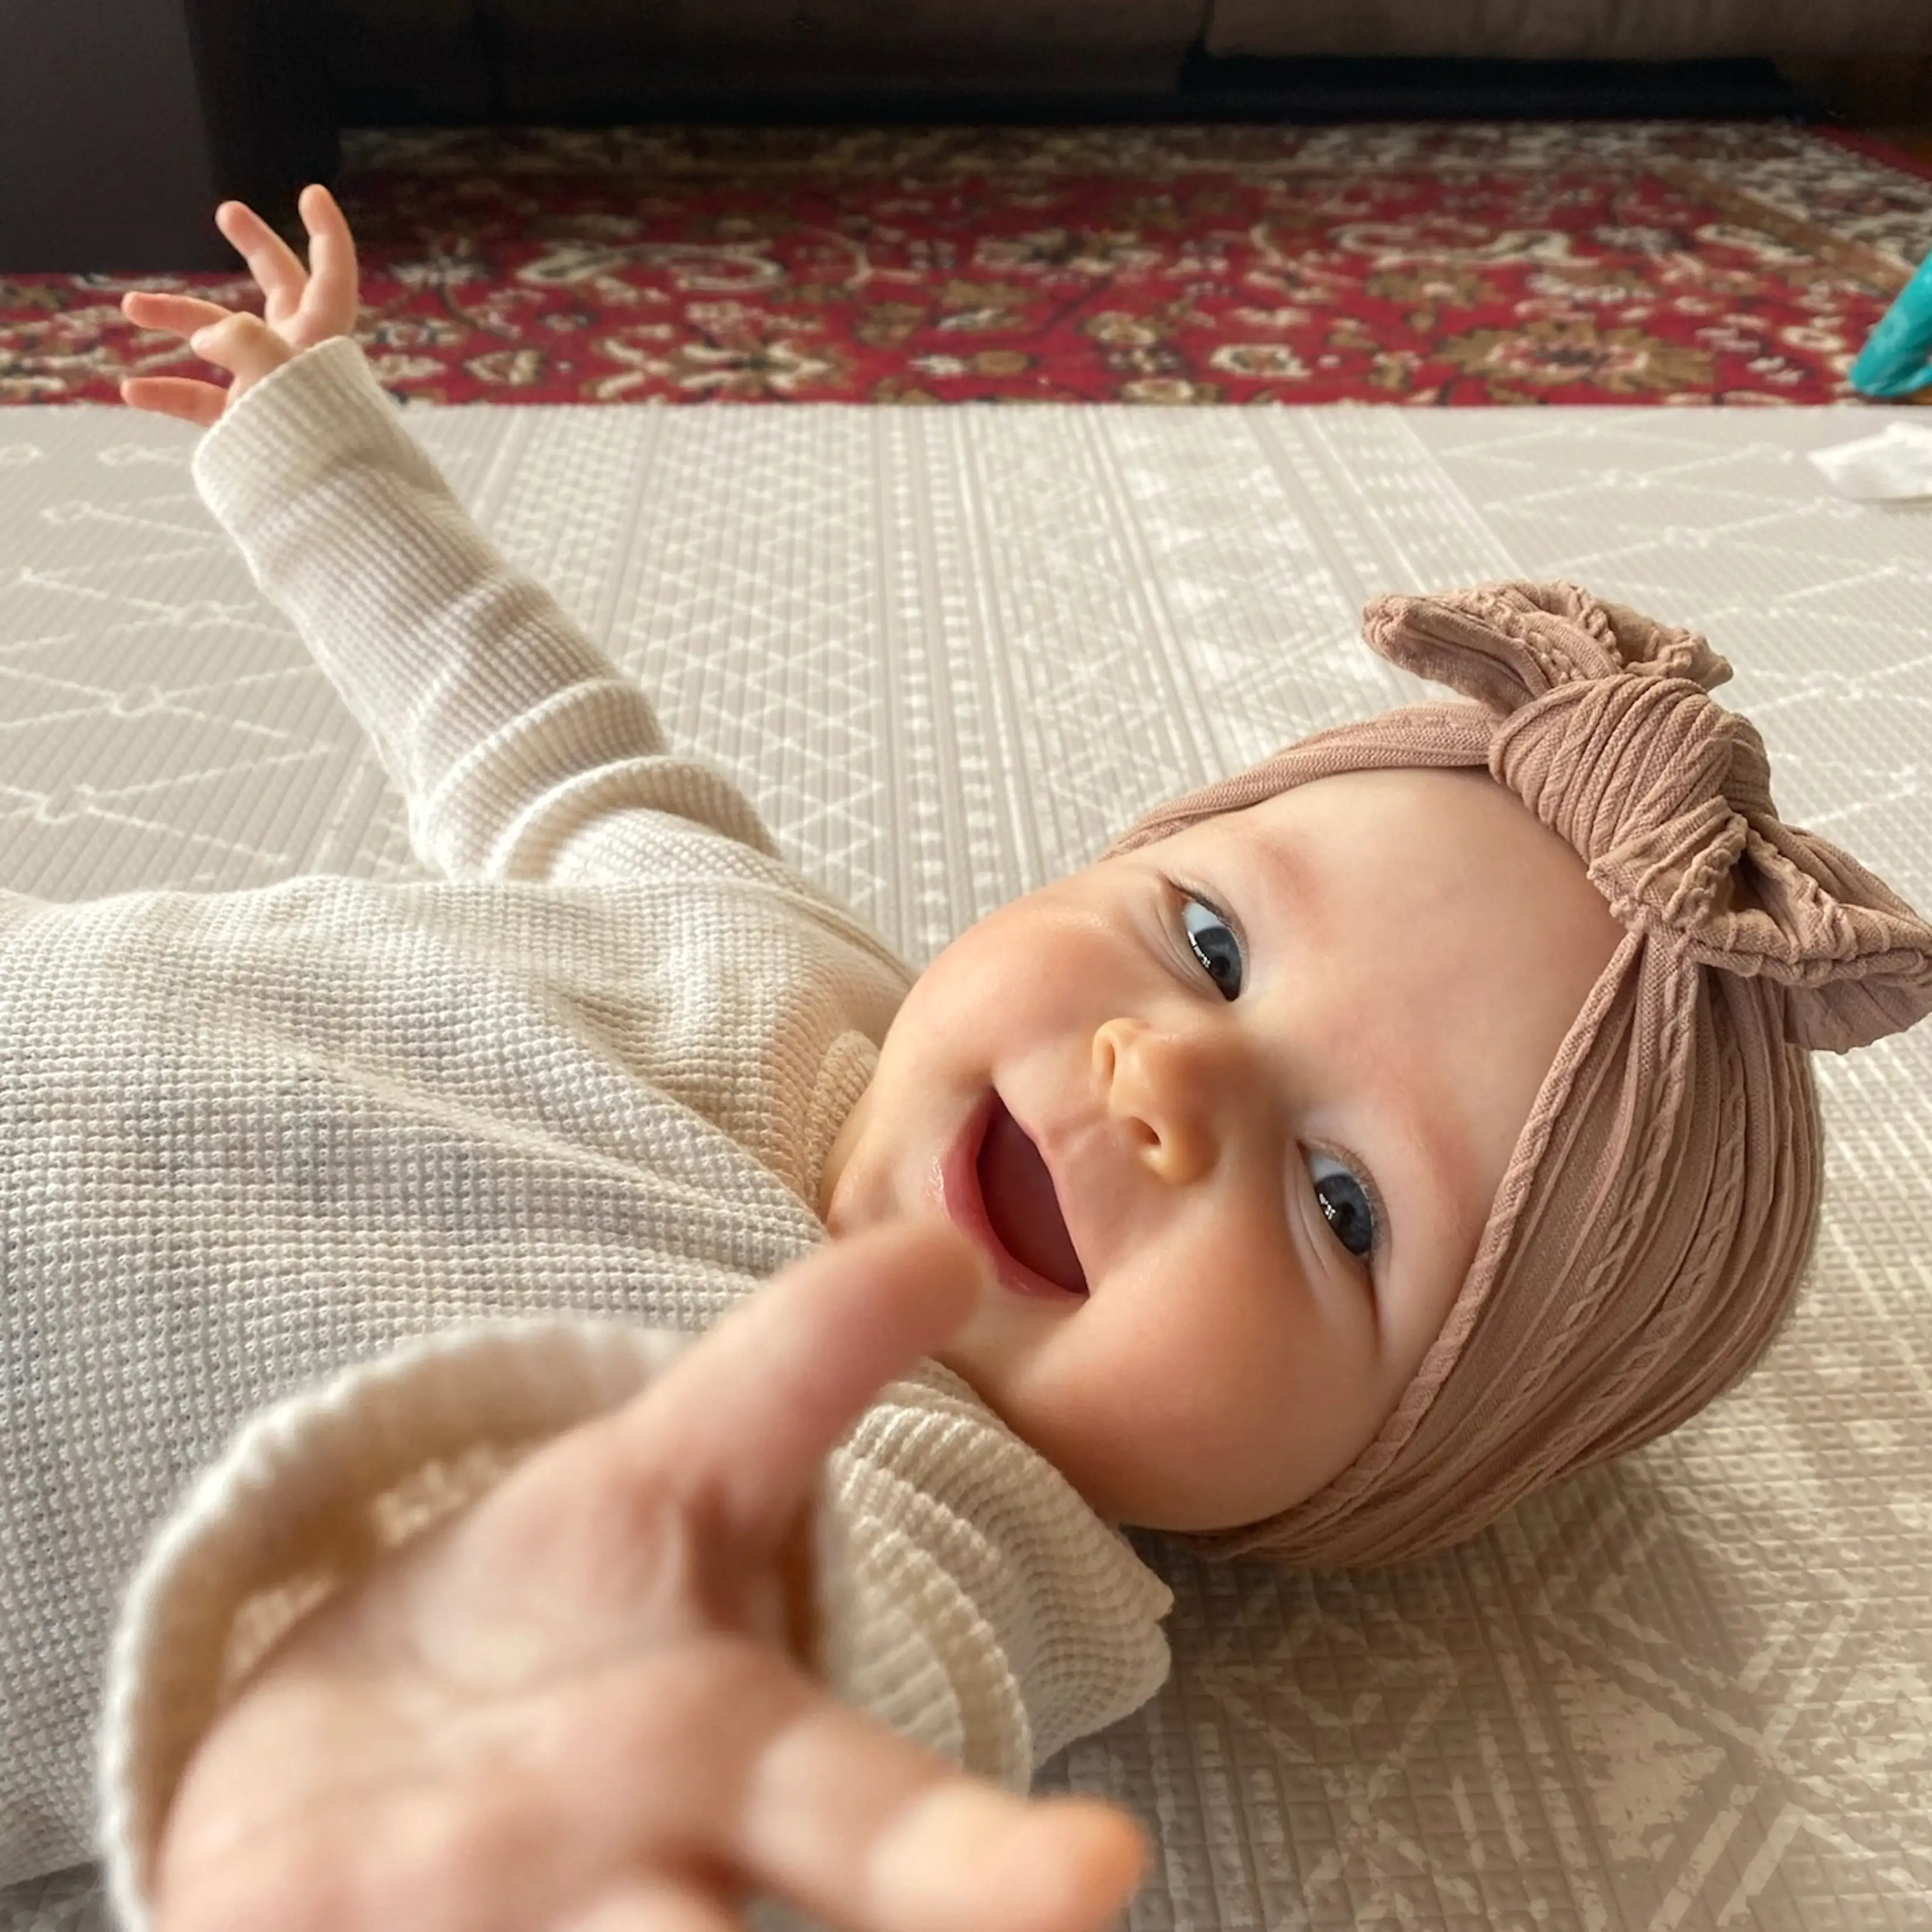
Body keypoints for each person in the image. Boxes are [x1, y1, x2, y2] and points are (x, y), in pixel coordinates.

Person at [4, 183, 1926, 1932]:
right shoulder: (780, 956)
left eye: (1344, 1205)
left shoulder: (943, 1507)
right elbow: (538, 746)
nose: (1170, 1079)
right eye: (1211, 941)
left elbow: (818, 1699)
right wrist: (320, 447)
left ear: (1362, 1482)